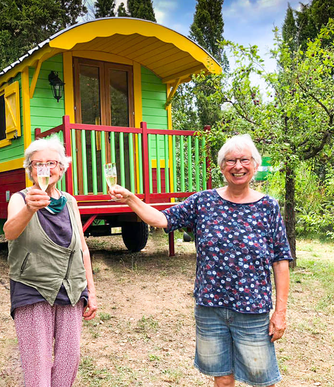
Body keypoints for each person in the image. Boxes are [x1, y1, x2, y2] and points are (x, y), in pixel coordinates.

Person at [110, 134, 292, 387]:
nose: (237, 166)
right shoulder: (203, 202)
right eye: (230, 161)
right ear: (221, 167)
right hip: (210, 307)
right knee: (222, 376)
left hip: (252, 308)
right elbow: (161, 219)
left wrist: (280, 312)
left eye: (244, 160)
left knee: (262, 377)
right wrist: (131, 199)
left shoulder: (268, 206)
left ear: (255, 165)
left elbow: (281, 261)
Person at [3, 136, 97, 387]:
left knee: (69, 361)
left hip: (72, 290)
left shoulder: (70, 201)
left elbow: (83, 249)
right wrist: (29, 210)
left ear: (62, 167)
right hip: (33, 288)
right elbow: (10, 232)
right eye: (37, 164)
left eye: (51, 163)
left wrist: (92, 292)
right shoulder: (20, 199)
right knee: (37, 364)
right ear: (30, 170)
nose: (45, 168)